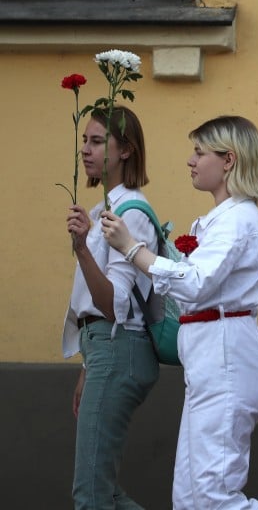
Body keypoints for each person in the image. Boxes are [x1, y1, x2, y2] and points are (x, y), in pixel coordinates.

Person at [101, 115, 258, 509]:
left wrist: (133, 248)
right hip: (213, 356)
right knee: (191, 496)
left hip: (225, 355)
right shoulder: (224, 219)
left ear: (228, 160)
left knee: (212, 494)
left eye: (200, 152)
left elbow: (195, 283)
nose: (191, 161)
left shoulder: (237, 219)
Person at [63, 106, 160, 509]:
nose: (85, 149)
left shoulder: (129, 213)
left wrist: (82, 247)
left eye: (98, 141)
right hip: (103, 349)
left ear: (126, 151)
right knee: (101, 491)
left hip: (118, 346)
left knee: (91, 495)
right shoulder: (108, 209)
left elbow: (115, 305)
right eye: (85, 139)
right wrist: (88, 365)